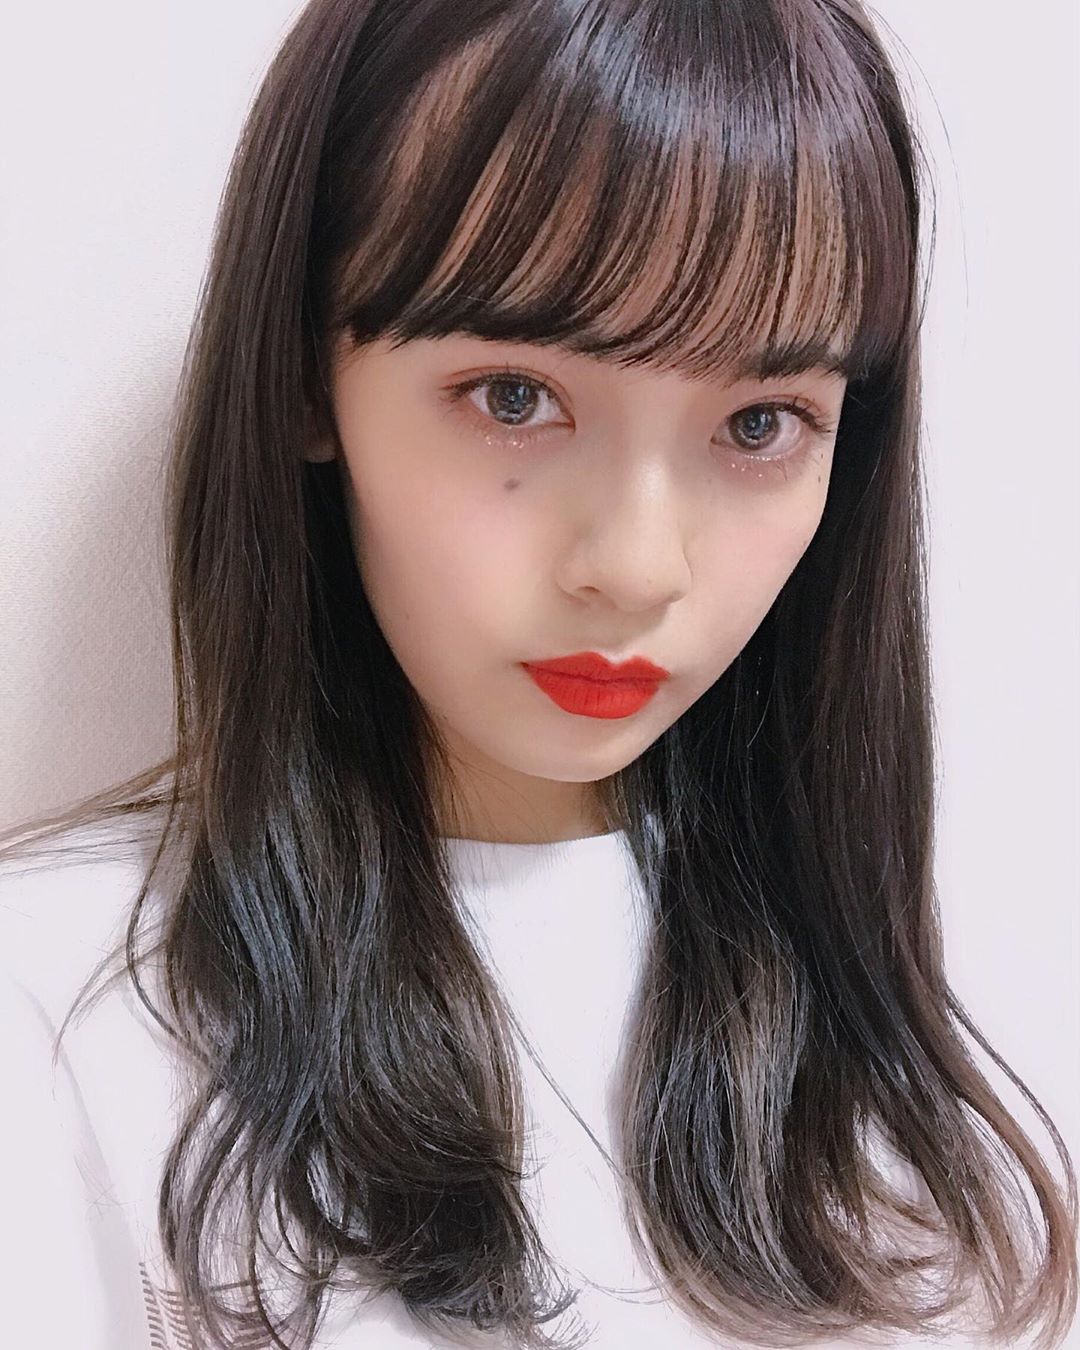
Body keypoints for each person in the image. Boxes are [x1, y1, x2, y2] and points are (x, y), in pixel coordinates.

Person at [1, 1, 1076, 1347]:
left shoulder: (942, 1056)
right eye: (514, 396)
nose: (635, 566)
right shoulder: (58, 1017)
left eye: (759, 422)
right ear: (305, 375)